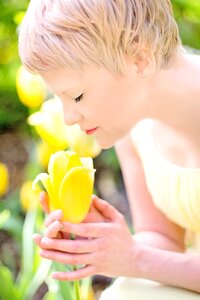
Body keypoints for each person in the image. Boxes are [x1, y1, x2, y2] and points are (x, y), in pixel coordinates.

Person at [18, 0, 200, 298]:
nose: (68, 118)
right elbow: (164, 239)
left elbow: (149, 261)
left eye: (76, 97)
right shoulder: (135, 128)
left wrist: (138, 260)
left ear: (140, 59)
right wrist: (104, 242)